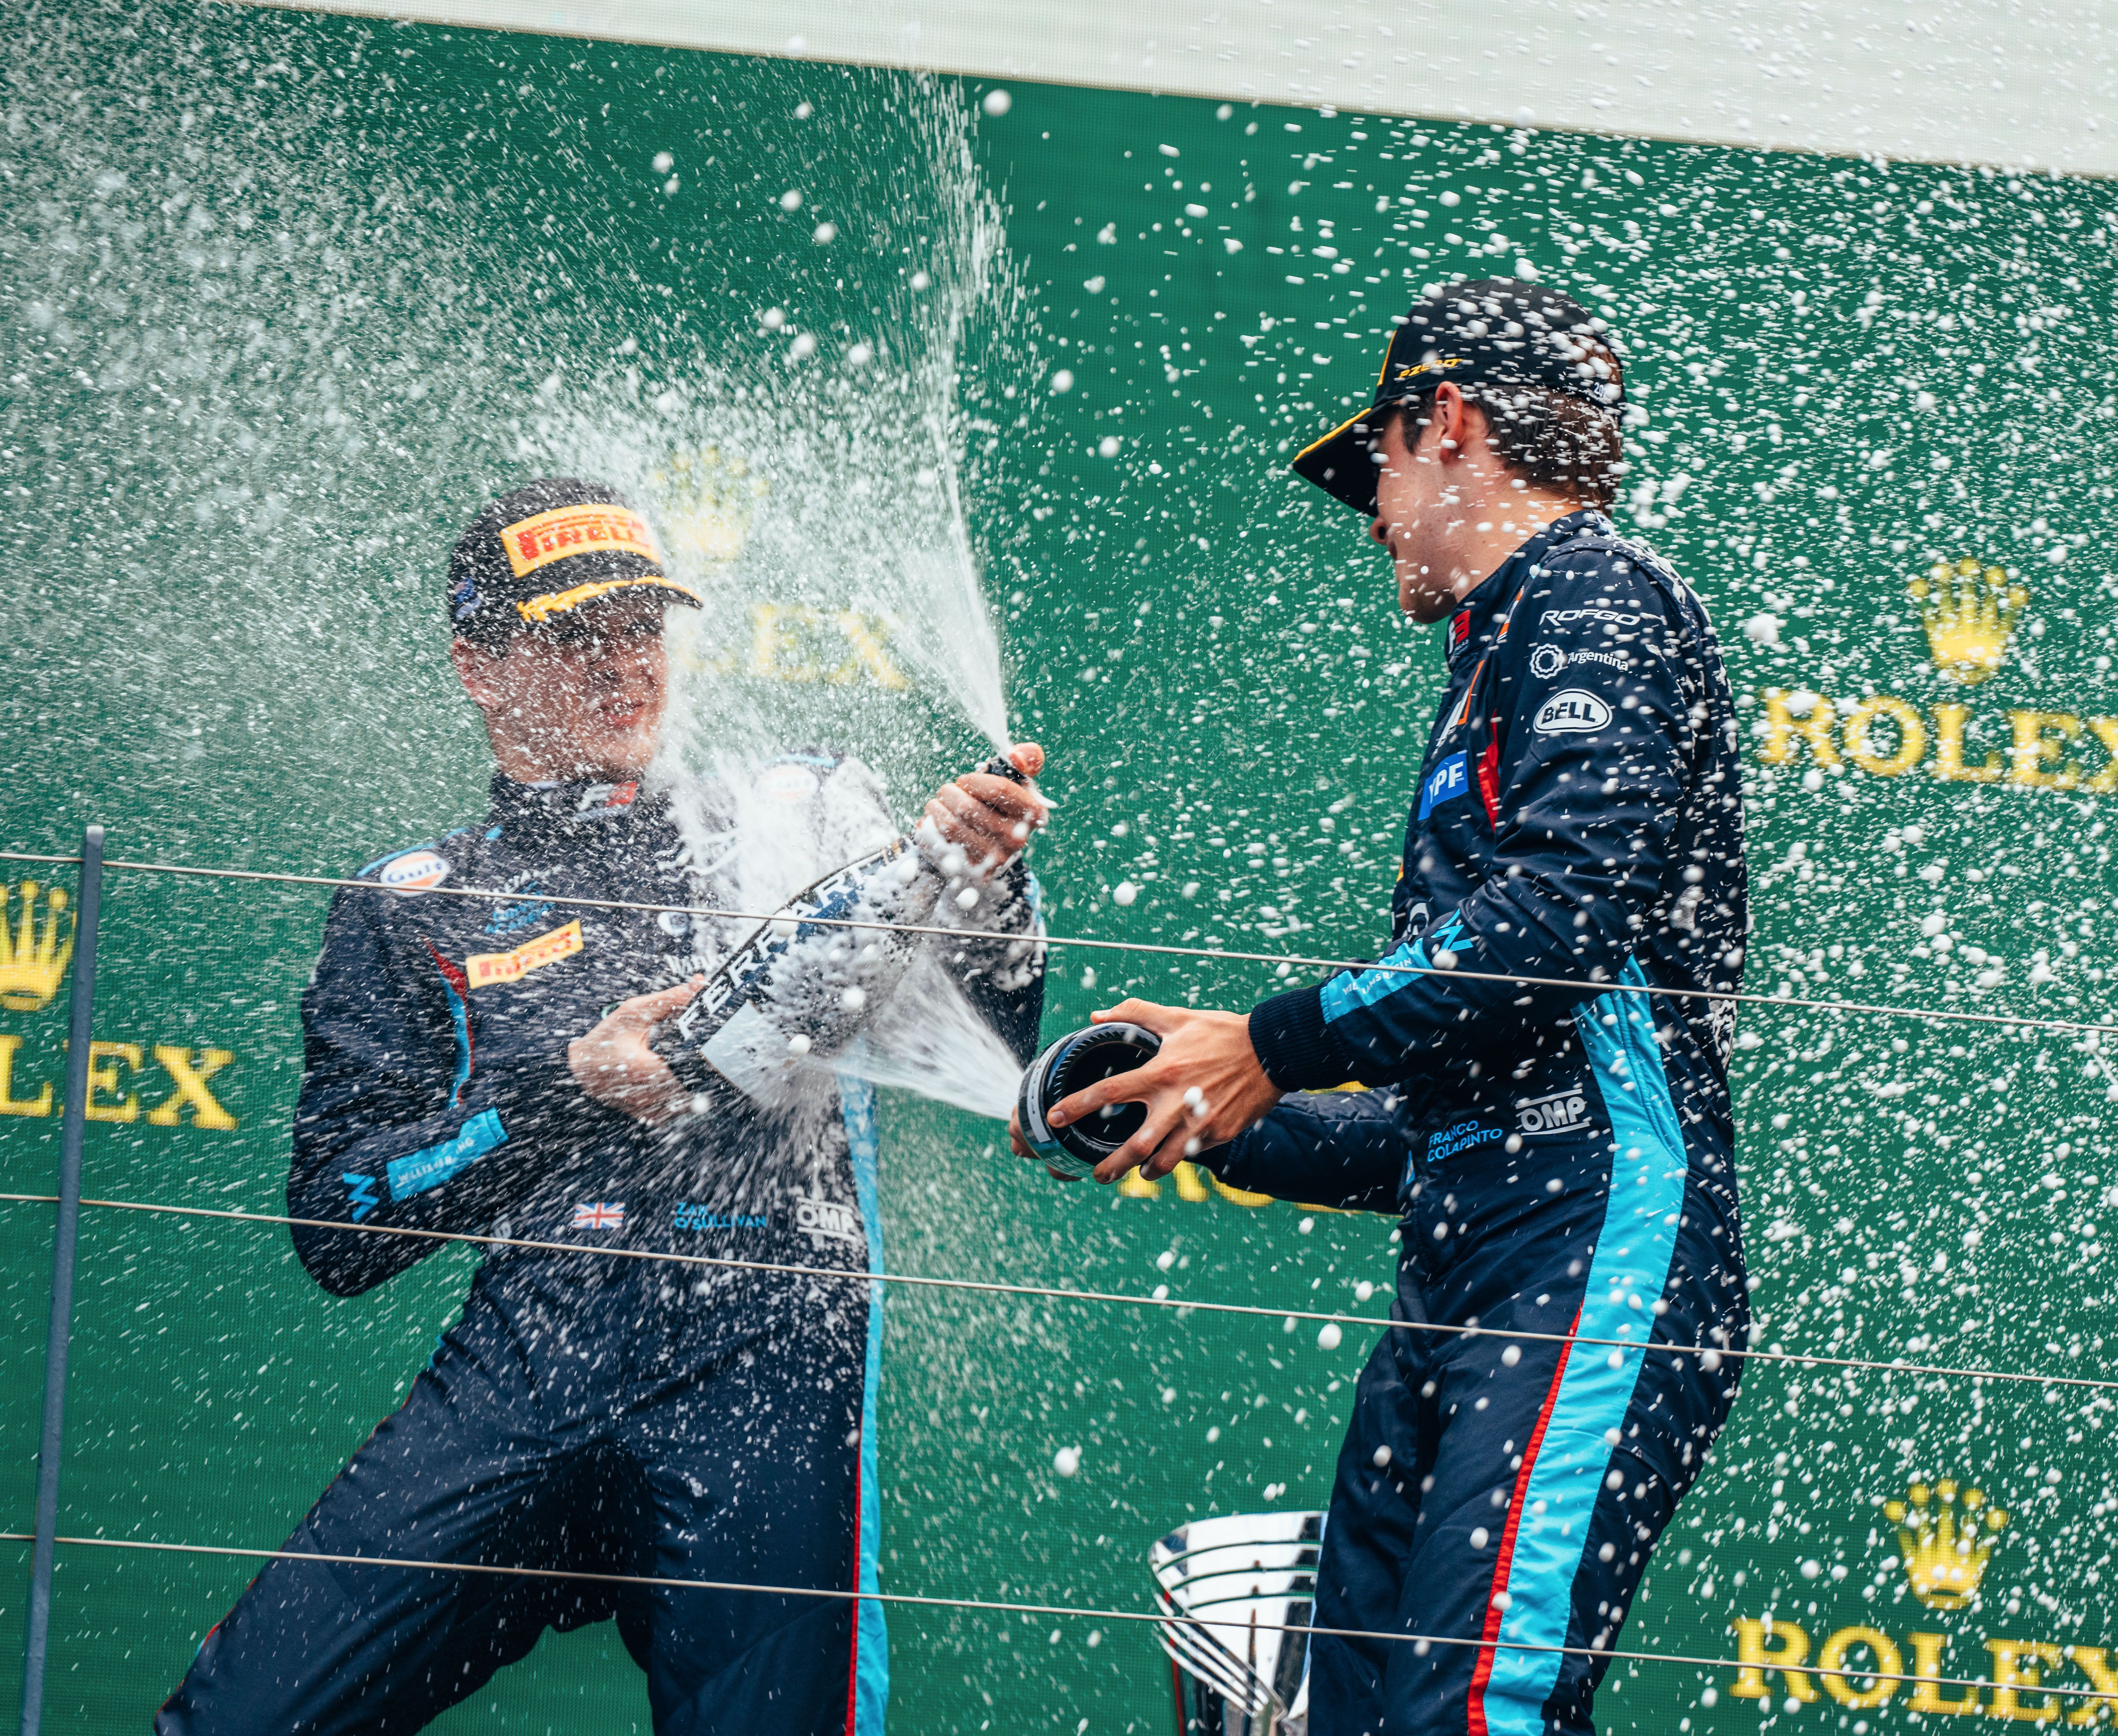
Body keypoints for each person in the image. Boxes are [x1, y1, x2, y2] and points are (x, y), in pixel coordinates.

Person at [159, 478, 1049, 1736]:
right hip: (530, 1354)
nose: (623, 663)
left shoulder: (789, 816)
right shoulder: (414, 900)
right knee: (239, 1718)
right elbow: (339, 1226)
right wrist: (560, 1093)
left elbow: (994, 1043)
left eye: (642, 626)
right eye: (574, 634)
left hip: (765, 1352)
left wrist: (983, 882)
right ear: (477, 666)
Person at [1019, 280, 1751, 1734]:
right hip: (1478, 1259)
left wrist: (1269, 1043)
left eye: (1379, 470)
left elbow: (1563, 914)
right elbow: (1453, 1127)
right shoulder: (1498, 647)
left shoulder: (1592, 591)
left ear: (1449, 423)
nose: (1371, 521)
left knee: (1477, 1710)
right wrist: (1207, 1104)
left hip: (1597, 1248)